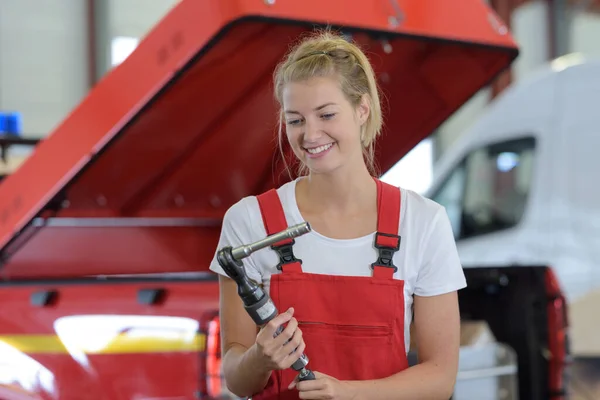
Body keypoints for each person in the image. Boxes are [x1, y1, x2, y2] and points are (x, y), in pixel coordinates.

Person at [209, 29, 467, 400]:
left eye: (326, 114)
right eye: (295, 120)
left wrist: (347, 393)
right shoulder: (249, 221)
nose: (310, 134)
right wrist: (259, 359)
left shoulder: (422, 222)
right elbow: (236, 378)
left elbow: (440, 379)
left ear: (362, 109)